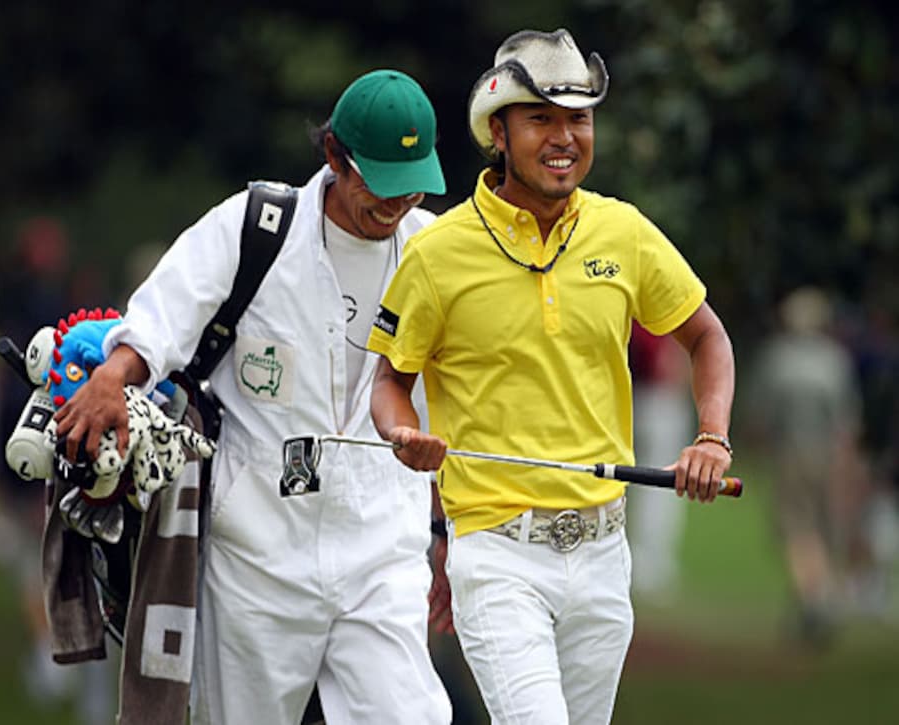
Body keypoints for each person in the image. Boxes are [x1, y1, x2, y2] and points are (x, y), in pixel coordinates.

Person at [53, 70, 452, 725]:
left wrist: (445, 532)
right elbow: (164, 314)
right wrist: (110, 377)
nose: (399, 200)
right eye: (380, 181)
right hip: (259, 550)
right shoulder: (258, 227)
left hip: (382, 546)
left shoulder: (435, 250)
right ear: (333, 156)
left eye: (414, 181)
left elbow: (453, 397)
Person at [367, 29, 736, 725]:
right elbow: (389, 381)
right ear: (498, 132)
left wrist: (712, 437)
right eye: (542, 118)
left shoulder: (623, 231)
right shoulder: (438, 251)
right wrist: (403, 434)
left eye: (579, 118)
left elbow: (706, 336)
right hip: (498, 557)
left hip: (603, 556)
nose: (565, 137)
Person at [749, 286, 863, 646]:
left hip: (790, 454)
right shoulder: (834, 360)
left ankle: (815, 602)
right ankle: (819, 598)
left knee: (798, 531)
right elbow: (847, 421)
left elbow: (760, 416)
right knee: (826, 529)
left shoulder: (778, 359)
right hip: (828, 455)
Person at [626, 322, 693, 601]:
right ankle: (650, 565)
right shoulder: (657, 311)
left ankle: (634, 561)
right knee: (661, 489)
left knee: (623, 488)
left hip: (628, 399)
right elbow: (670, 364)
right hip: (658, 400)